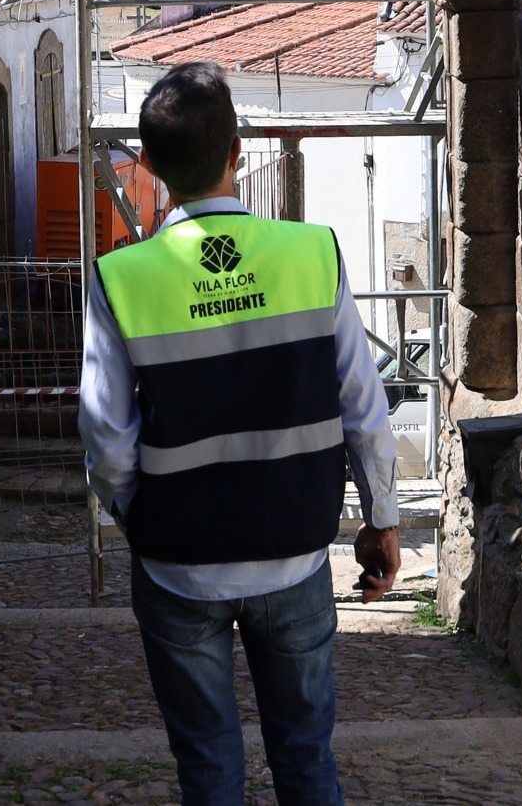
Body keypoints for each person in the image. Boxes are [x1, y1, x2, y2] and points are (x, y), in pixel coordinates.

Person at [78, 62, 401, 806]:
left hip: (178, 565)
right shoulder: (311, 253)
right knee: (307, 760)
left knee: (209, 769)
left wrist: (139, 514)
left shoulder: (122, 277)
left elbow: (105, 433)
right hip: (292, 556)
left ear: (149, 167)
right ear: (238, 150)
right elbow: (363, 401)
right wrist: (382, 516)